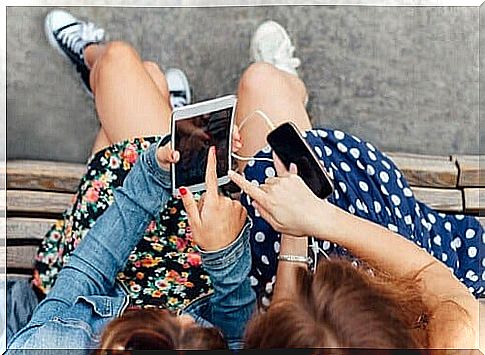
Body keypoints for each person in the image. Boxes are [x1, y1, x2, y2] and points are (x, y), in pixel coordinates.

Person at [7, 144, 256, 351]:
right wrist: (224, 256)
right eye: (198, 329)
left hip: (122, 269)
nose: (188, 317)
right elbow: (237, 341)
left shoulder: (51, 344)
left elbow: (86, 272)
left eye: (172, 322)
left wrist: (153, 176)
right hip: (196, 271)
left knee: (118, 146)